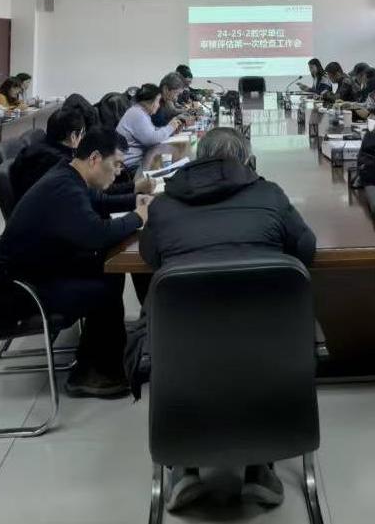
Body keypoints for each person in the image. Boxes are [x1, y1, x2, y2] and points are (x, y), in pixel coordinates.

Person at [138, 127, 315, 512]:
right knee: (255, 344)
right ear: (247, 160)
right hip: (268, 341)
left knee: (191, 348)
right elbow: (306, 249)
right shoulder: (270, 194)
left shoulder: (164, 205)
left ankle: (184, 470)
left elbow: (150, 257)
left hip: (182, 345)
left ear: (199, 159)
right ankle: (259, 468)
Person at [0, 127, 151, 398]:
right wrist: (138, 216)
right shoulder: (63, 187)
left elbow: (99, 201)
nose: (119, 172)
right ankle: (93, 374)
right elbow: (96, 235)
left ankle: (105, 354)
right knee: (104, 283)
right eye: (116, 164)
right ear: (94, 158)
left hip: (46, 265)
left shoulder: (69, 174)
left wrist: (135, 201)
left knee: (108, 270)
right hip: (28, 286)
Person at [9, 106, 153, 205]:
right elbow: (95, 193)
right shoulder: (62, 164)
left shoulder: (35, 148)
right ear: (73, 136)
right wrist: (135, 187)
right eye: (82, 134)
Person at [117, 83, 186, 168]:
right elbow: (152, 139)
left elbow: (152, 131)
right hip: (131, 165)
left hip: (139, 160)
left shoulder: (140, 112)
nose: (158, 105)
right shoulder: (137, 114)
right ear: (150, 102)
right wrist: (170, 127)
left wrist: (171, 131)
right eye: (158, 101)